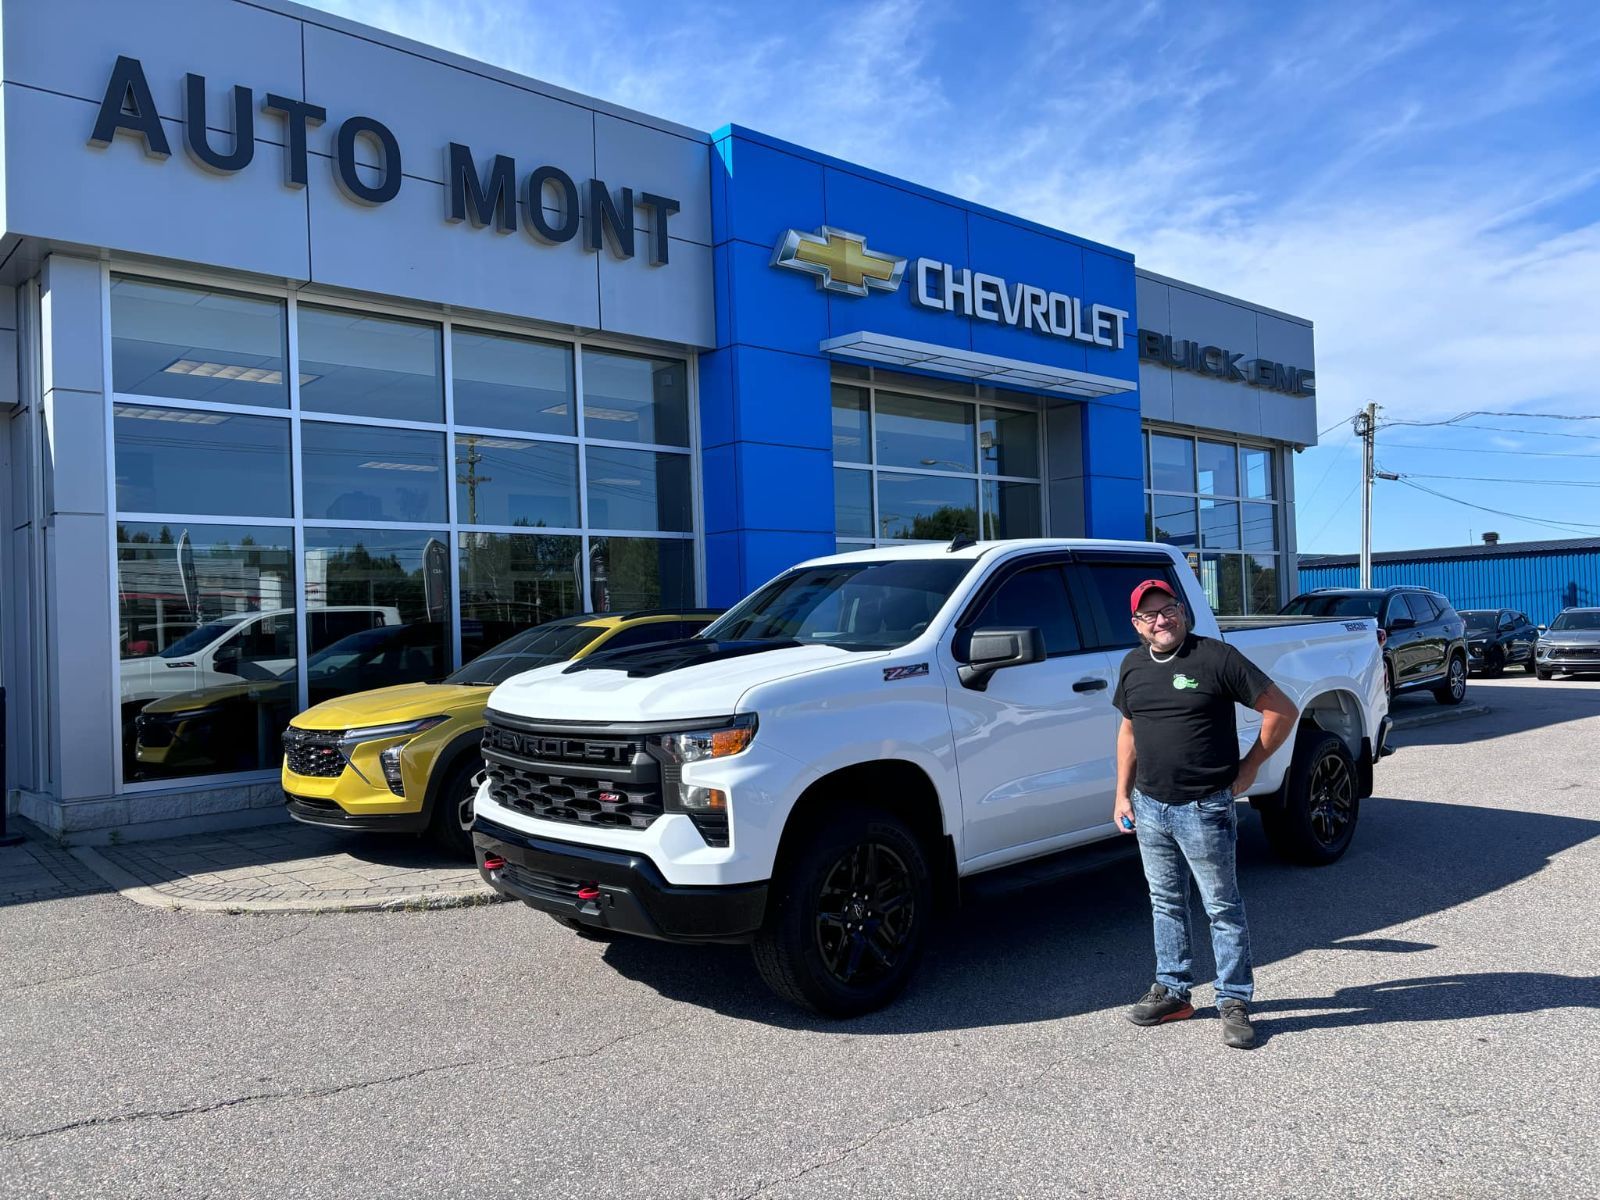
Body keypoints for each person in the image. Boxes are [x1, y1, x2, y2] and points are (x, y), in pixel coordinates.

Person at [1111, 579, 1297, 1050]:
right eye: (1149, 615)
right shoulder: (1133, 666)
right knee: (1165, 902)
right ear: (1137, 626)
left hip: (1204, 807)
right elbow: (1129, 732)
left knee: (1221, 907)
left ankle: (1233, 1000)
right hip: (1151, 807)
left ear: (1183, 612)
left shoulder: (1216, 658)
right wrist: (1122, 795)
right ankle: (1173, 991)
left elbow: (1282, 710)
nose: (1161, 620)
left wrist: (1250, 767)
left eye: (1168, 609)